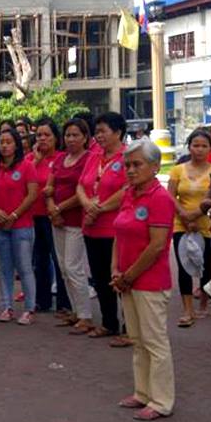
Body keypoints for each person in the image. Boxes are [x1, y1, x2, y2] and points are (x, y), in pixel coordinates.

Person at [112, 139, 176, 421]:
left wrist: (128, 275)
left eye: (137, 164)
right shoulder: (129, 194)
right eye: (127, 165)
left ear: (154, 166)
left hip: (149, 281)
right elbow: (120, 233)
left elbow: (157, 245)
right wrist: (116, 269)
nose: (130, 170)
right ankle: (143, 392)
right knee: (137, 339)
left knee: (154, 341)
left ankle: (162, 401)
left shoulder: (160, 198)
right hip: (127, 279)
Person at [79, 112, 130, 345]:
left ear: (118, 132)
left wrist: (100, 208)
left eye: (103, 131)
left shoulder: (128, 157)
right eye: (96, 131)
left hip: (116, 229)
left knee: (119, 278)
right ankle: (109, 322)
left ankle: (130, 327)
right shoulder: (94, 156)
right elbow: (81, 185)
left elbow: (127, 189)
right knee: (99, 278)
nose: (98, 136)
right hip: (92, 227)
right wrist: (89, 205)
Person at [0, 128, 39, 325]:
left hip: (22, 224)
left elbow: (32, 195)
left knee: (24, 267)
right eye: (2, 142)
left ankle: (30, 308)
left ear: (16, 144)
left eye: (9, 142)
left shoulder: (27, 166)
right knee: (4, 267)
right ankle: (7, 306)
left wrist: (15, 214)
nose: (5, 146)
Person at [46, 119, 93, 335]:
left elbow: (83, 191)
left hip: (75, 220)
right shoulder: (60, 158)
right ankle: (76, 311)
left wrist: (59, 208)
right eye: (68, 135)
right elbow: (49, 187)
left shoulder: (88, 159)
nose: (71, 139)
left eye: (76, 135)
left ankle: (86, 315)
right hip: (57, 220)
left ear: (85, 137)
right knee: (64, 268)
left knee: (74, 268)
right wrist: (52, 210)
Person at [168, 129, 211, 327]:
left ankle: (203, 303)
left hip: (205, 223)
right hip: (181, 223)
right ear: (189, 147)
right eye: (195, 145)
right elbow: (170, 196)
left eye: (203, 146)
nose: (199, 149)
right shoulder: (177, 170)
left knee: (205, 265)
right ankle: (187, 309)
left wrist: (196, 215)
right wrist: (184, 216)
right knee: (184, 266)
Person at [27, 120, 70, 315]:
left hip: (54, 215)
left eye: (47, 135)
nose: (42, 139)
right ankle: (41, 300)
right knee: (39, 259)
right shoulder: (29, 159)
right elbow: (22, 182)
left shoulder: (62, 158)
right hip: (32, 216)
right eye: (39, 135)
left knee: (58, 259)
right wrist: (36, 160)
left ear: (56, 138)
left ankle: (63, 303)